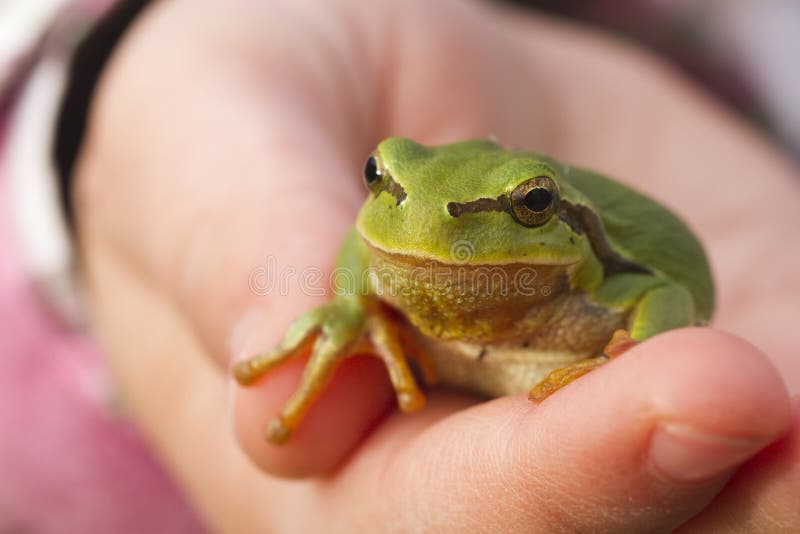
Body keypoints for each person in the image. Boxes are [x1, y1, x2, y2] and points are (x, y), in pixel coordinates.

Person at [6, 0, 800, 531]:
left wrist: (635, 347)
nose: (417, 225)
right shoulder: (384, 228)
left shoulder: (600, 276)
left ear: (553, 217)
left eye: (528, 206)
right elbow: (361, 245)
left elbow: (664, 290)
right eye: (380, 182)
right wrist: (349, 306)